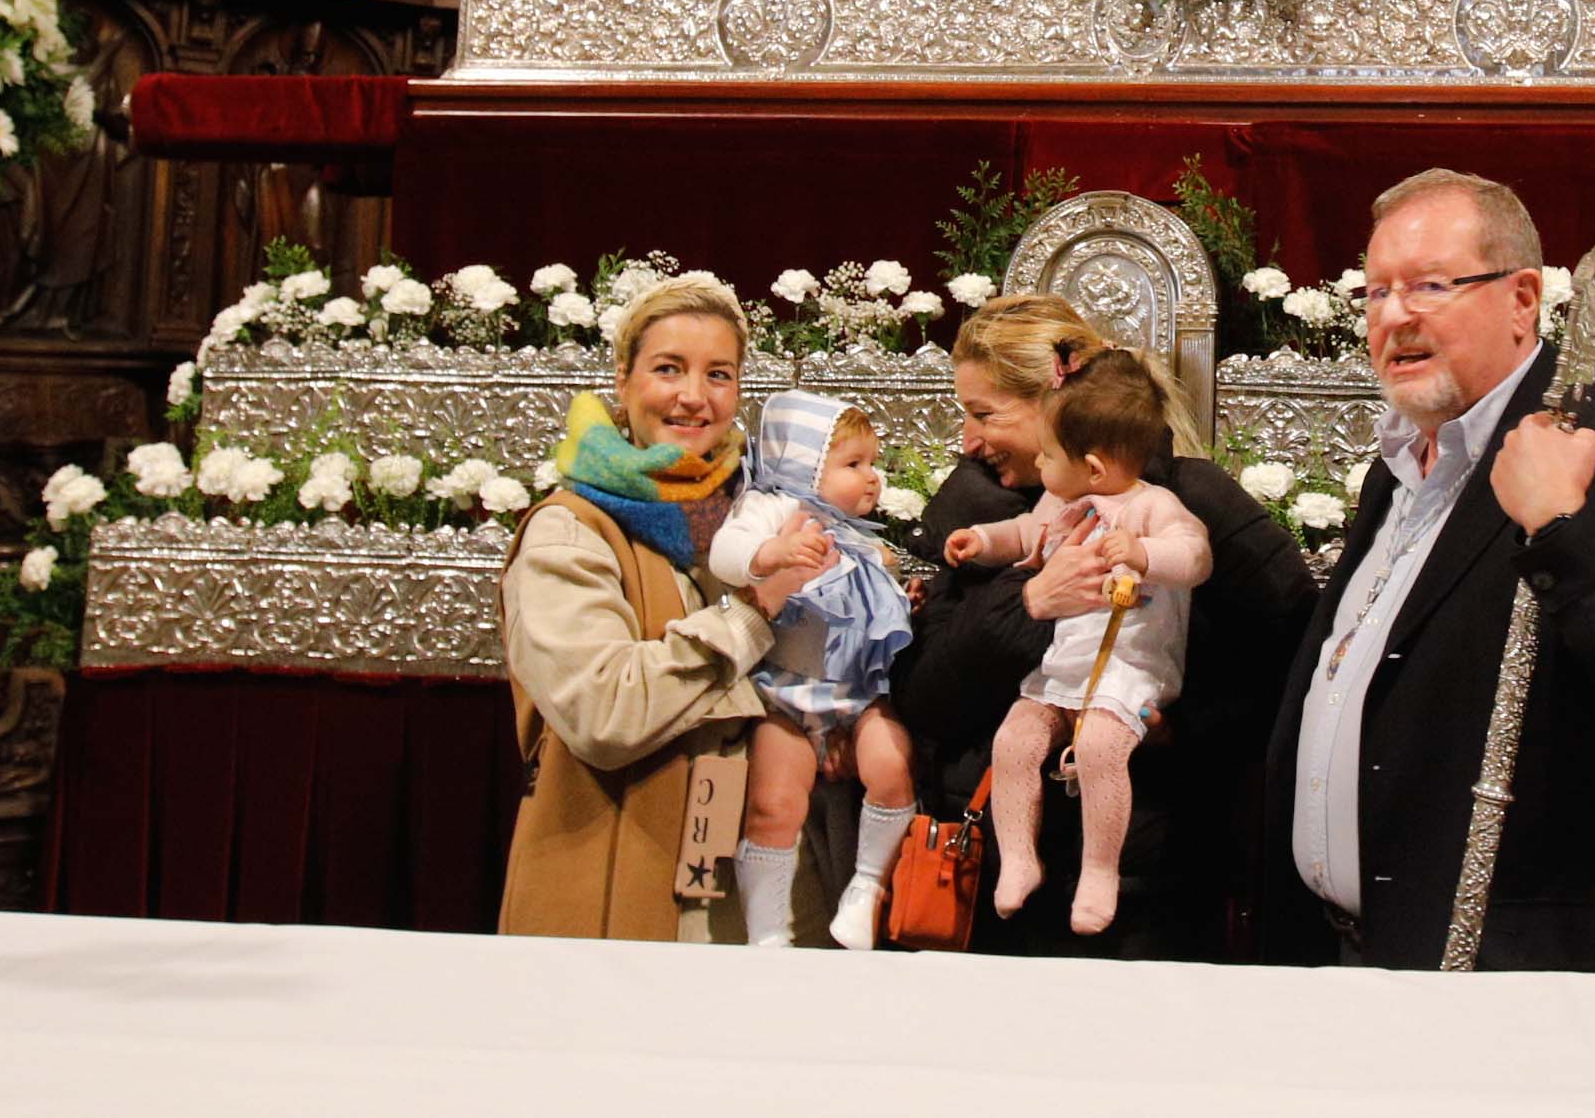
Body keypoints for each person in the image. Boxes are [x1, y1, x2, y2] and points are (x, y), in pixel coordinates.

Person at [1265, 169, 1595, 971]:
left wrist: (1564, 528)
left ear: (1522, 299)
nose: (1395, 316)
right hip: (1358, 960)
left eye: (1429, 285)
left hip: (1524, 977)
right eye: (1376, 291)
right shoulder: (1396, 469)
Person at [893, 295, 1312, 960]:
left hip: (1151, 892)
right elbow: (925, 697)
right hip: (997, 888)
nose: (968, 439)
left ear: (1054, 406)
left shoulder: (1183, 500)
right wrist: (1027, 601)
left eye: (983, 413)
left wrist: (1180, 725)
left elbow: (1291, 647)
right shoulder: (976, 511)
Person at [497, 276, 833, 943]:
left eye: (718, 373)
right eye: (668, 369)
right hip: (616, 898)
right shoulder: (571, 531)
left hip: (755, 904)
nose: (693, 395)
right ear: (623, 381)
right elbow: (603, 710)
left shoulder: (757, 521)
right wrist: (750, 616)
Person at [941, 353, 1215, 937]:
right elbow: (1023, 534)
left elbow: (1195, 555)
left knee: (1097, 751)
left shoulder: (1152, 506)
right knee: (1014, 741)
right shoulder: (1061, 505)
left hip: (1129, 669)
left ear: (1091, 467)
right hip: (1065, 663)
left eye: (1046, 455)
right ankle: (1018, 856)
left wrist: (1144, 555)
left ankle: (1099, 870)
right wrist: (982, 539)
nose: (1038, 463)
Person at [707, 392, 916, 950]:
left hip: (857, 699)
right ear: (801, 465)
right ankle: (768, 931)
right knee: (774, 803)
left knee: (893, 767)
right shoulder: (777, 507)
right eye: (854, 465)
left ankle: (868, 887)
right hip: (788, 699)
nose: (872, 478)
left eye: (874, 464)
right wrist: (772, 554)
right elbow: (725, 552)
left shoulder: (861, 538)